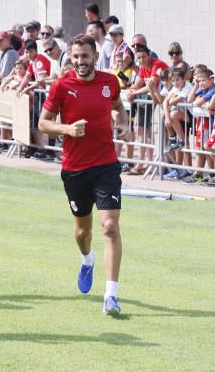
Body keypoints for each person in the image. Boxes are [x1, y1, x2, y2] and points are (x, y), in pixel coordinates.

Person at [38, 34, 133, 318]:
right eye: (75, 56)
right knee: (83, 232)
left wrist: (124, 124)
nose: (80, 61)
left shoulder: (109, 82)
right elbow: (43, 123)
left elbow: (117, 107)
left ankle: (111, 295)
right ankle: (86, 258)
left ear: (95, 56)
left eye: (85, 56)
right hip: (75, 168)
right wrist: (67, 129)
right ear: (70, 57)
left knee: (110, 227)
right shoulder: (61, 85)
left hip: (106, 164)